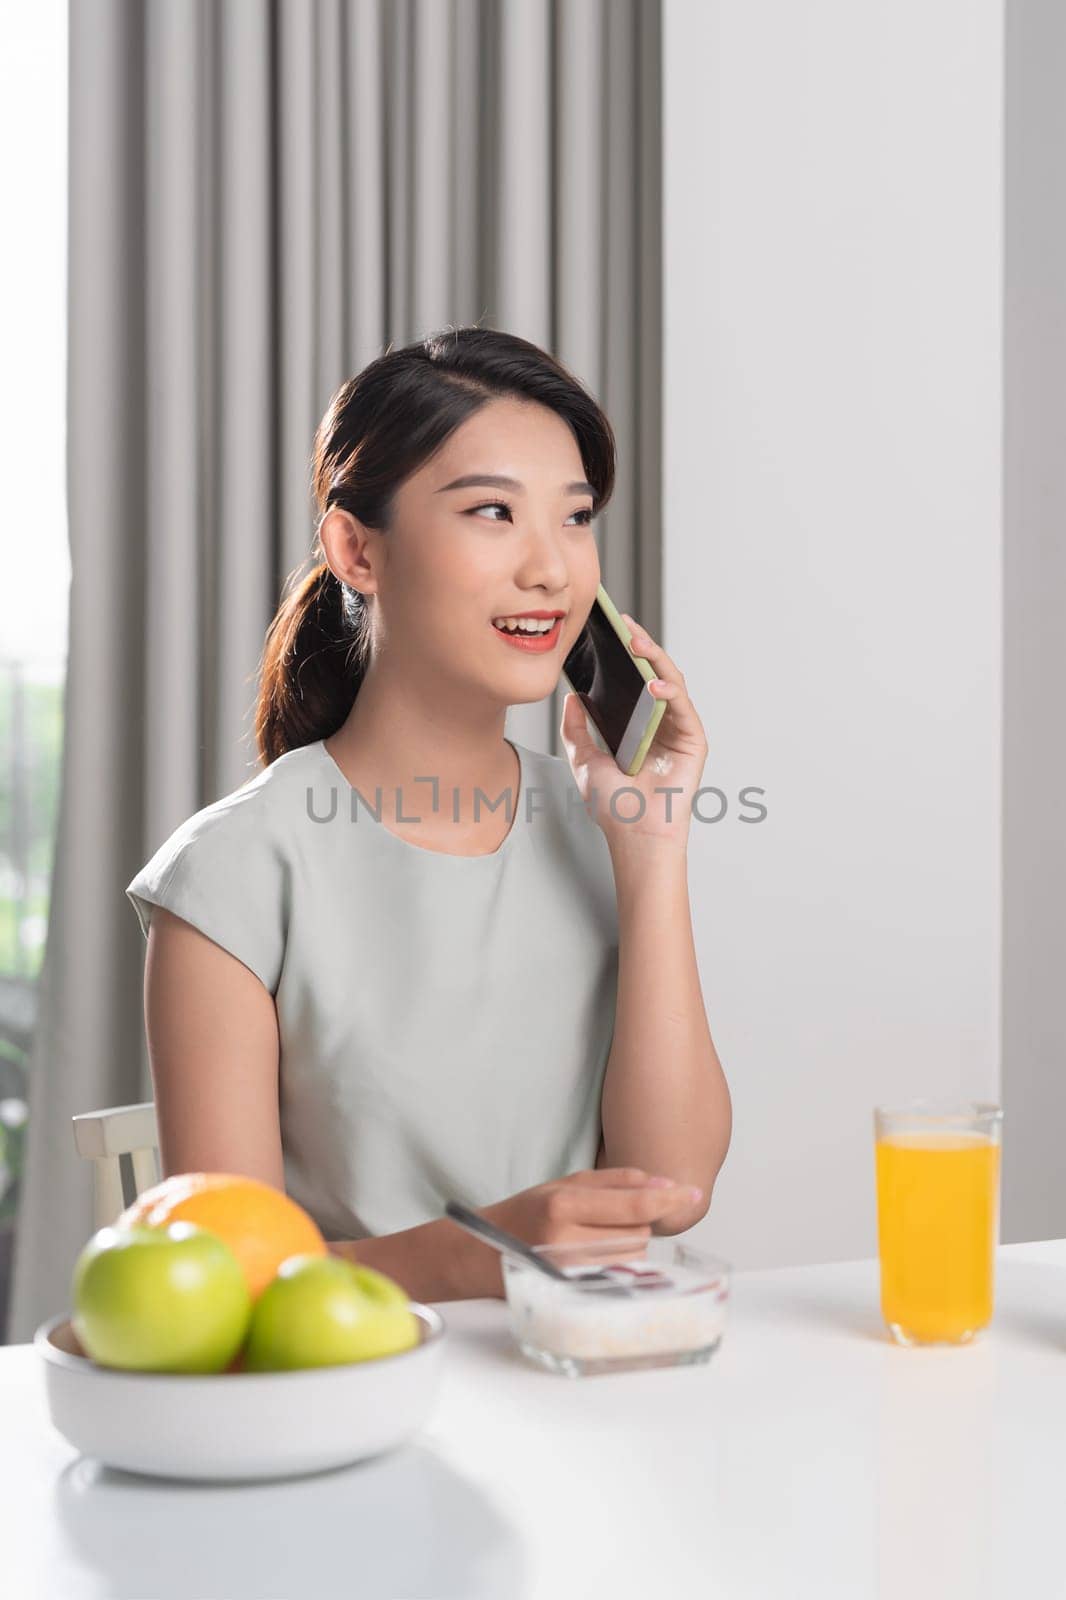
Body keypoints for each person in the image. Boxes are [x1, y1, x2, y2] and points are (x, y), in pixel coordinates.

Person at [126, 326, 732, 1301]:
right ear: (356, 549)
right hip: (349, 1402)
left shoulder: (597, 827)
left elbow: (672, 1191)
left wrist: (653, 843)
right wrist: (475, 1252)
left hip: (594, 1387)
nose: (551, 570)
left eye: (574, 519)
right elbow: (225, 1275)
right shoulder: (235, 872)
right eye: (493, 511)